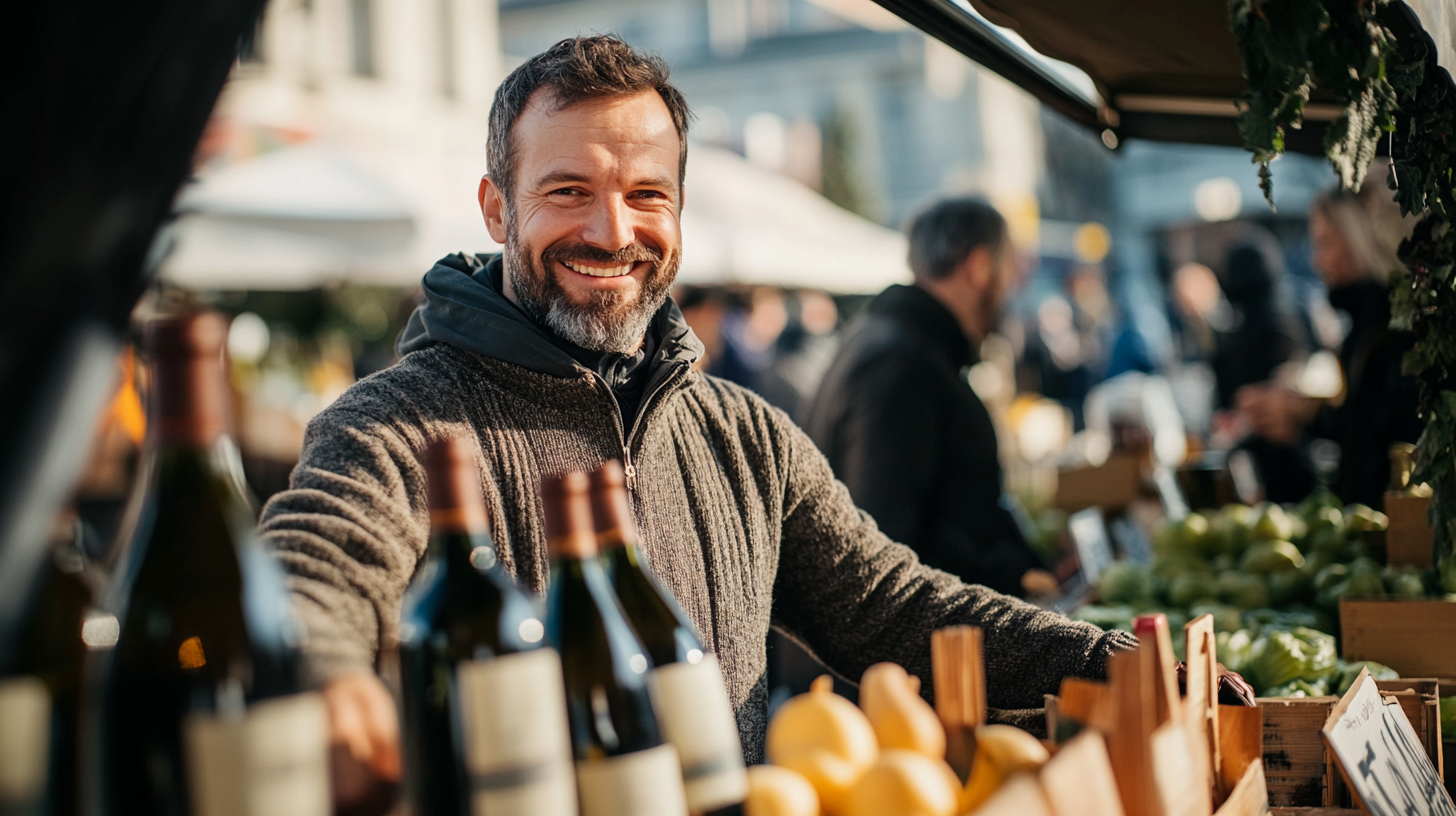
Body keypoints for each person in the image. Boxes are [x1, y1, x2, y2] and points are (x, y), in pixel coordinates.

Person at [258, 37, 1140, 807]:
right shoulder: (396, 424)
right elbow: (317, 565)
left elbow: (894, 607)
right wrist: (320, 677)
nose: (612, 231)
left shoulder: (744, 435)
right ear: (496, 208)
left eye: (647, 193)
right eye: (568, 191)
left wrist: (1108, 661)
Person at [804, 198, 1053, 598]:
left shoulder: (897, 344)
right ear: (979, 267)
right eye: (1010, 268)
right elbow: (882, 541)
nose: (1013, 286)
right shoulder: (899, 361)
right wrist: (1009, 574)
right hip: (908, 652)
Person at [1237, 183, 1421, 508]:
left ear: (1361, 240)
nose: (1316, 261)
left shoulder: (1394, 333)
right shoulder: (1366, 328)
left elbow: (1378, 438)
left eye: (1325, 243)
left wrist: (1305, 413)